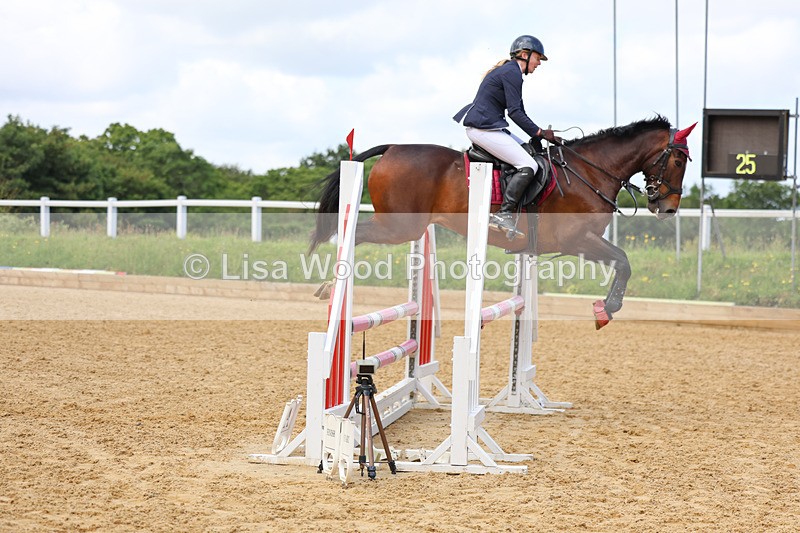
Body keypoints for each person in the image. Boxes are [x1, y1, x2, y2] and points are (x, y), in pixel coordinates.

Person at [453, 35, 560, 233]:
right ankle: (504, 213)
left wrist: (538, 136)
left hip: (490, 127)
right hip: (483, 129)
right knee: (528, 164)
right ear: (524, 55)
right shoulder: (512, 73)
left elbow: (520, 111)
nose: (538, 64)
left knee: (528, 151)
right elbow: (515, 113)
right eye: (538, 59)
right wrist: (540, 132)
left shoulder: (511, 71)